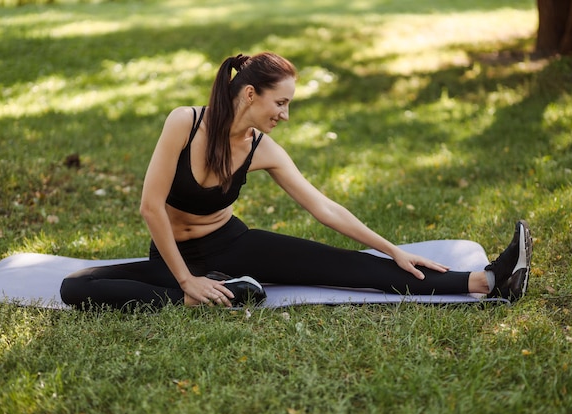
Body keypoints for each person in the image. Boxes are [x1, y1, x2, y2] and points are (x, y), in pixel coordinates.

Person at [60, 52, 532, 310]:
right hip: (172, 258)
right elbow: (150, 207)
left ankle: (489, 280)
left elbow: (323, 207)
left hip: (232, 246)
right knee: (75, 288)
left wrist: (392, 249)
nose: (285, 114)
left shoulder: (262, 148)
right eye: (280, 103)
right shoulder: (184, 123)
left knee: (347, 268)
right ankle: (213, 295)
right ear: (250, 93)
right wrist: (186, 281)